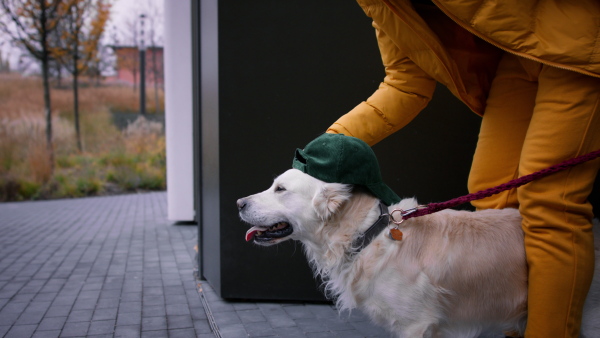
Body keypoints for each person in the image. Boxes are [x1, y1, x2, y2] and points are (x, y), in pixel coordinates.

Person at [324, 0, 600, 337]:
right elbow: (405, 82)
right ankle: (521, 325)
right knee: (495, 195)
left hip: (579, 46)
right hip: (519, 55)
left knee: (550, 203)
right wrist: (329, 146)